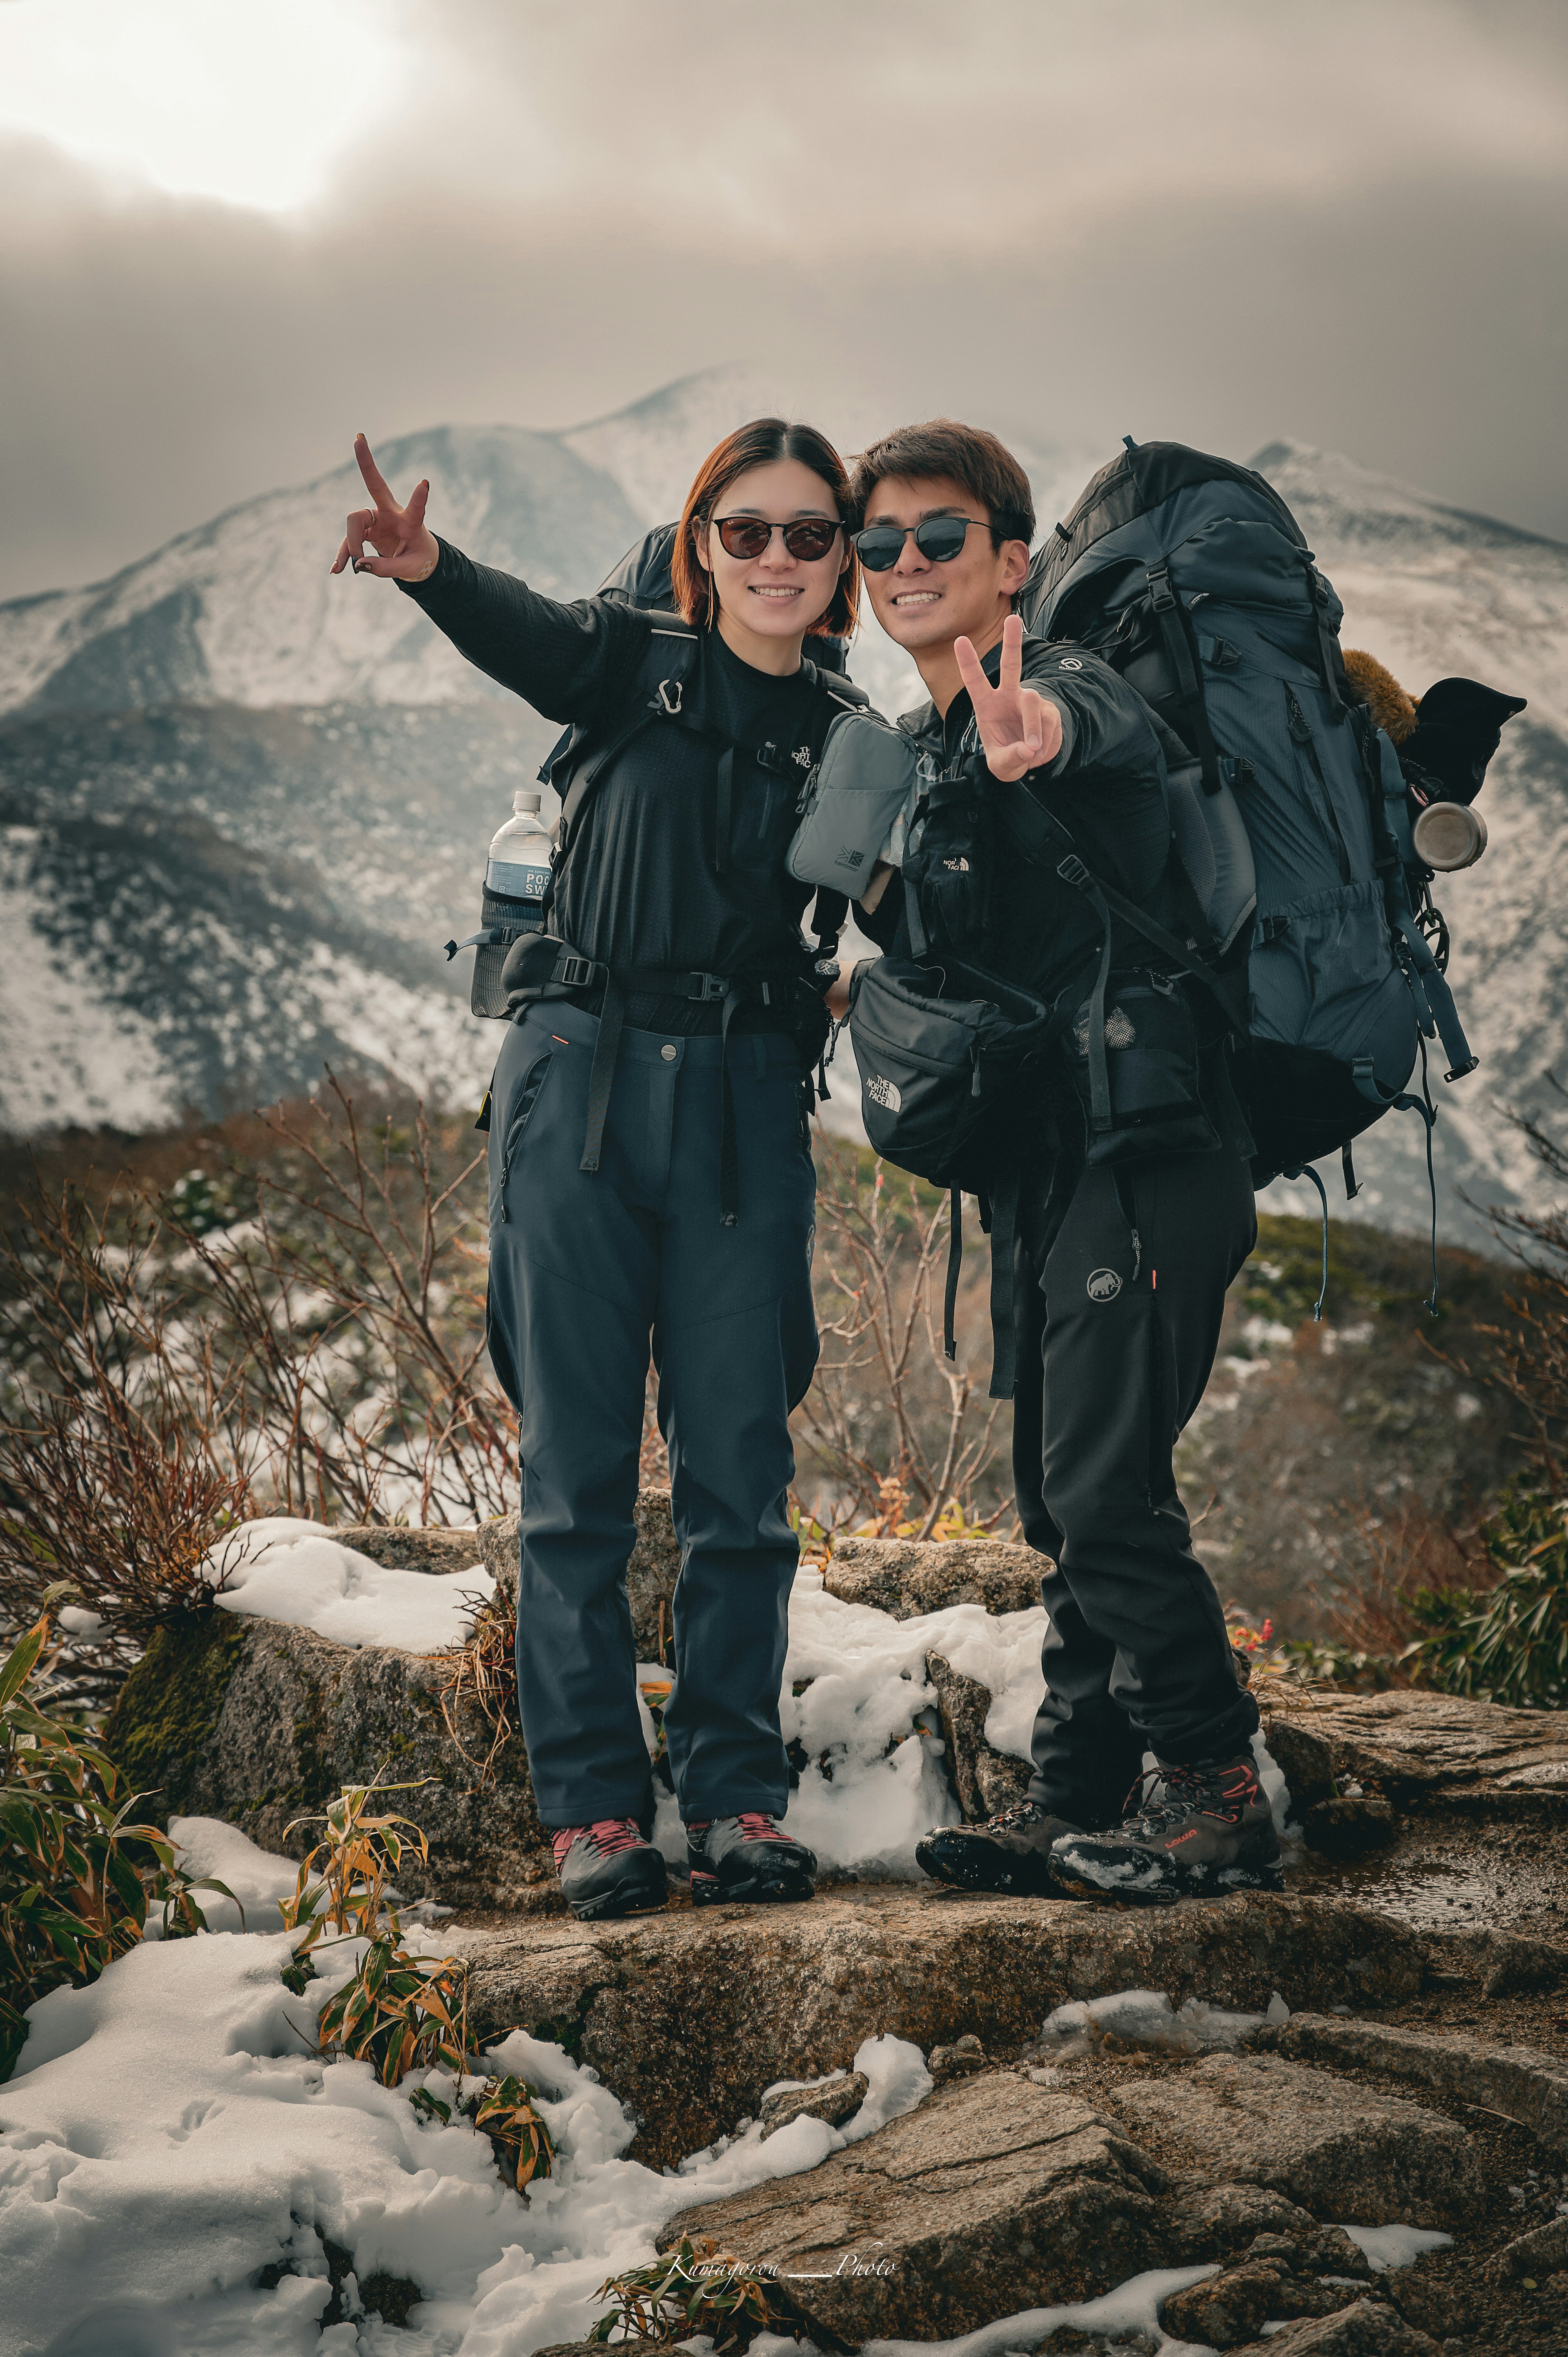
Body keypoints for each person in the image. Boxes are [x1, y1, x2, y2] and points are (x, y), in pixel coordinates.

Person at [331, 419, 865, 1921]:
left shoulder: (849, 732)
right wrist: (430, 568)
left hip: (749, 1110)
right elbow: (534, 641)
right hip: (580, 1085)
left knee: (740, 1483)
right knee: (576, 1478)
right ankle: (593, 1811)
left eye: (809, 536)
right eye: (744, 530)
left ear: (839, 565)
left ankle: (738, 1793)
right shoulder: (632, 659)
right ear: (701, 544)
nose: (775, 558)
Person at [842, 419, 1279, 1903]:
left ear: (1010, 560)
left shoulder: (1054, 686)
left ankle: (1216, 1780)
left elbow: (1095, 731)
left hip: (1151, 1148)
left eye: (940, 535)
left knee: (1101, 1489)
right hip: (1053, 1169)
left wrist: (1045, 730)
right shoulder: (924, 751)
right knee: (1061, 1494)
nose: (906, 562)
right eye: (879, 541)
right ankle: (1079, 1794)